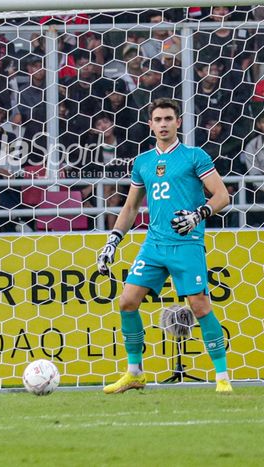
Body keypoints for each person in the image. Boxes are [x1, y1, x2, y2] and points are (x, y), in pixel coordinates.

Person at [96, 98, 233, 395]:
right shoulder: (142, 162)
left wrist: (199, 214)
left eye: (168, 119)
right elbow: (130, 207)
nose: (163, 124)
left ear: (178, 122)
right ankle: (135, 373)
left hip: (187, 242)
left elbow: (222, 196)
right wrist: (113, 240)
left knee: (199, 305)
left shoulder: (194, 156)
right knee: (127, 302)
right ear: (150, 124)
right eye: (157, 119)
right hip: (154, 244)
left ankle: (222, 377)